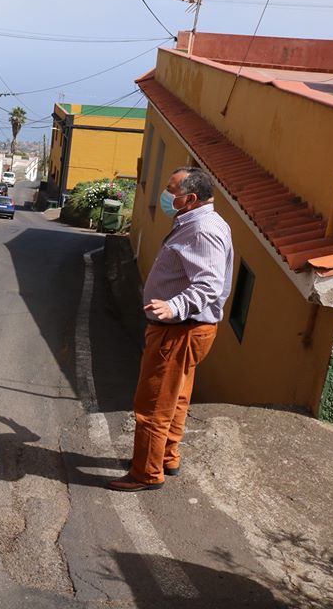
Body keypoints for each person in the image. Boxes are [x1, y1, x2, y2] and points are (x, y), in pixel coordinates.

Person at [109, 167, 233, 491]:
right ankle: (166, 457)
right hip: (190, 329)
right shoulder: (200, 221)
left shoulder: (203, 230)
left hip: (179, 331)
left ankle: (146, 473)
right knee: (176, 396)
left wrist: (174, 306)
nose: (165, 195)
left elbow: (209, 284)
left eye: (171, 190)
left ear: (190, 199)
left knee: (152, 405)